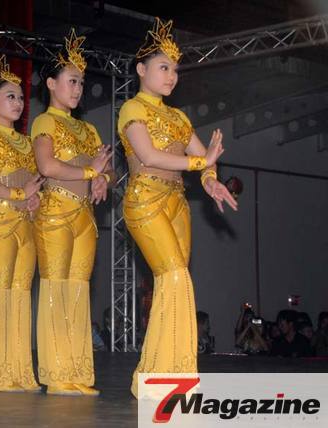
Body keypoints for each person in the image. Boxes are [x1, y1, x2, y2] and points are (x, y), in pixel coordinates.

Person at [117, 18, 238, 398]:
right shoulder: (131, 108)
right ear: (141, 70)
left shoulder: (179, 117)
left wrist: (211, 180)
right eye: (163, 67)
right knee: (173, 275)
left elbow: (205, 159)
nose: (172, 76)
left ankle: (162, 376)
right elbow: (149, 156)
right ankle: (161, 378)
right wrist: (202, 164)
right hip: (145, 200)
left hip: (177, 203)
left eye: (175, 70)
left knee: (175, 281)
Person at [31, 28, 115, 396]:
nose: (78, 88)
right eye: (71, 81)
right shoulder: (44, 122)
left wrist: (103, 180)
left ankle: (78, 372)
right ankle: (56, 374)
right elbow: (47, 166)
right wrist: (90, 173)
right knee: (55, 289)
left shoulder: (88, 128)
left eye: (81, 82)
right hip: (55, 213)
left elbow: (109, 169)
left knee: (79, 291)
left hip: (85, 217)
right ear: (51, 84)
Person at [0, 53, 43, 392]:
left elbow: (35, 184)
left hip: (27, 224)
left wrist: (34, 198)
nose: (17, 102)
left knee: (20, 294)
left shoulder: (27, 143)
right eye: (9, 96)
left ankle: (19, 372)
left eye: (20, 97)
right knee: (0, 292)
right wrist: (19, 194)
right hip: (1, 222)